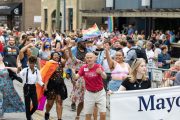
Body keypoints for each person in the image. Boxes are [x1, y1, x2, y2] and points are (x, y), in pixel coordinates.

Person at [72, 52, 107, 120]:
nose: (89, 59)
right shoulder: (83, 67)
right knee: (88, 115)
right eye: (87, 58)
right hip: (89, 93)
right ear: (85, 59)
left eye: (91, 57)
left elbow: (105, 77)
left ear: (94, 58)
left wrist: (101, 72)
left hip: (100, 93)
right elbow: (76, 77)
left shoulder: (98, 66)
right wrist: (73, 72)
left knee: (103, 113)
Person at [16, 56, 44, 120]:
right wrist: (18, 68)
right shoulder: (25, 70)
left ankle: (29, 115)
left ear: (35, 63)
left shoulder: (37, 71)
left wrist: (43, 85)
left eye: (33, 63)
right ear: (28, 63)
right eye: (31, 63)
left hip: (33, 87)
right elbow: (18, 75)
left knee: (35, 105)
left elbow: (39, 80)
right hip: (26, 87)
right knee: (27, 104)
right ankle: (28, 118)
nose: (32, 64)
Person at [44, 52, 67, 120]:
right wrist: (45, 85)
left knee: (59, 101)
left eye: (58, 55)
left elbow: (66, 58)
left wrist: (65, 50)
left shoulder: (61, 64)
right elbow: (47, 76)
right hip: (51, 85)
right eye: (55, 55)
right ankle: (47, 112)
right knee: (50, 103)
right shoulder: (49, 64)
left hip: (60, 85)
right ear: (52, 57)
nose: (57, 56)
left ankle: (59, 118)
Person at [0, 54, 25, 119]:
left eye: (0, 56)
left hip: (8, 86)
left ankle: (1, 113)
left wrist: (10, 67)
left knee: (6, 100)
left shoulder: (6, 63)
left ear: (2, 57)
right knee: (0, 99)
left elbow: (16, 71)